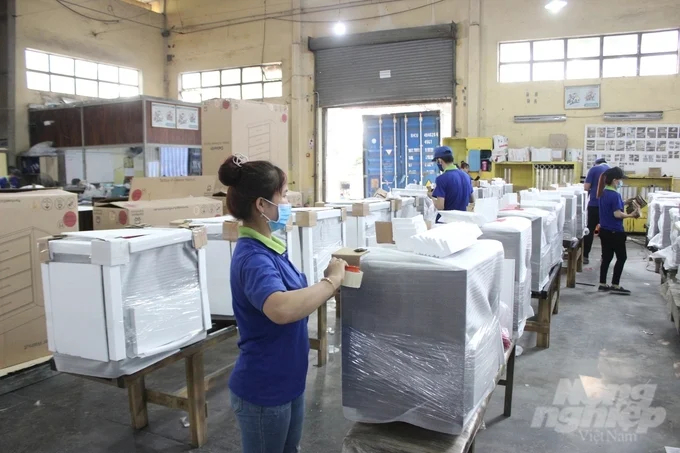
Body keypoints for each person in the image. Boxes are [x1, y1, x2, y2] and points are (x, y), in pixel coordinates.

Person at [218, 154, 347, 453]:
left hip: (287, 382)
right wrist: (331, 283)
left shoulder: (272, 250)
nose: (288, 203)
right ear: (262, 205)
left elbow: (293, 298)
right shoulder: (254, 257)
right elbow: (281, 308)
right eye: (284, 196)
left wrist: (327, 283)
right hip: (264, 390)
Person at [596, 166, 639, 295]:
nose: (621, 183)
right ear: (615, 180)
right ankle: (615, 284)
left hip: (604, 230)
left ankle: (602, 283)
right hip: (615, 231)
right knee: (621, 257)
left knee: (607, 257)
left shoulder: (603, 192)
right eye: (620, 180)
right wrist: (632, 215)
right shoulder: (615, 195)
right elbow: (617, 214)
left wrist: (625, 202)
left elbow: (611, 207)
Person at [431, 146, 473, 222]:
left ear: (440, 160)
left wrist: (431, 197)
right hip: (463, 221)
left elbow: (440, 206)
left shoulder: (441, 178)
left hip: (447, 222)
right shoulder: (466, 176)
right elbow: (472, 200)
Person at [583, 158, 609, 264]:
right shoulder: (612, 170)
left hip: (594, 204)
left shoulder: (594, 169)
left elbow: (586, 187)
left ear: (596, 163)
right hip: (607, 205)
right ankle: (605, 257)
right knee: (605, 231)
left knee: (590, 229)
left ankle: (585, 256)